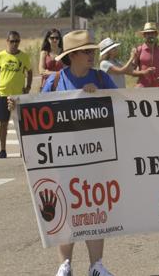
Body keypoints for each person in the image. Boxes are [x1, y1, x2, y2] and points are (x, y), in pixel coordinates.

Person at [42, 30, 117, 276]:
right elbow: (38, 113)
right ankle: (65, 264)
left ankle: (96, 264)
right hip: (64, 157)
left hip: (97, 155)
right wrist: (15, 107)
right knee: (66, 209)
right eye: (87, 51)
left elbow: (123, 104)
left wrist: (102, 96)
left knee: (95, 208)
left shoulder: (102, 78)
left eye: (93, 51)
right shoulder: (54, 82)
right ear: (72, 55)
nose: (92, 55)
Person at [0, 31, 32, 158]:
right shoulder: (0, 56)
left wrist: (28, 86)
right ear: (7, 41)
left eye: (17, 41)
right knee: (3, 123)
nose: (15, 44)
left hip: (18, 95)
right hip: (3, 93)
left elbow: (29, 71)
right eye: (12, 41)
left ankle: (22, 150)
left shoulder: (24, 57)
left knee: (20, 123)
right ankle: (2, 150)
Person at [132, 22, 159, 87]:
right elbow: (132, 72)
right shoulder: (139, 50)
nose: (150, 35)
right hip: (142, 88)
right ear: (144, 35)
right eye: (148, 33)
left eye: (152, 33)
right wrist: (144, 72)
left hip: (158, 88)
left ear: (156, 35)